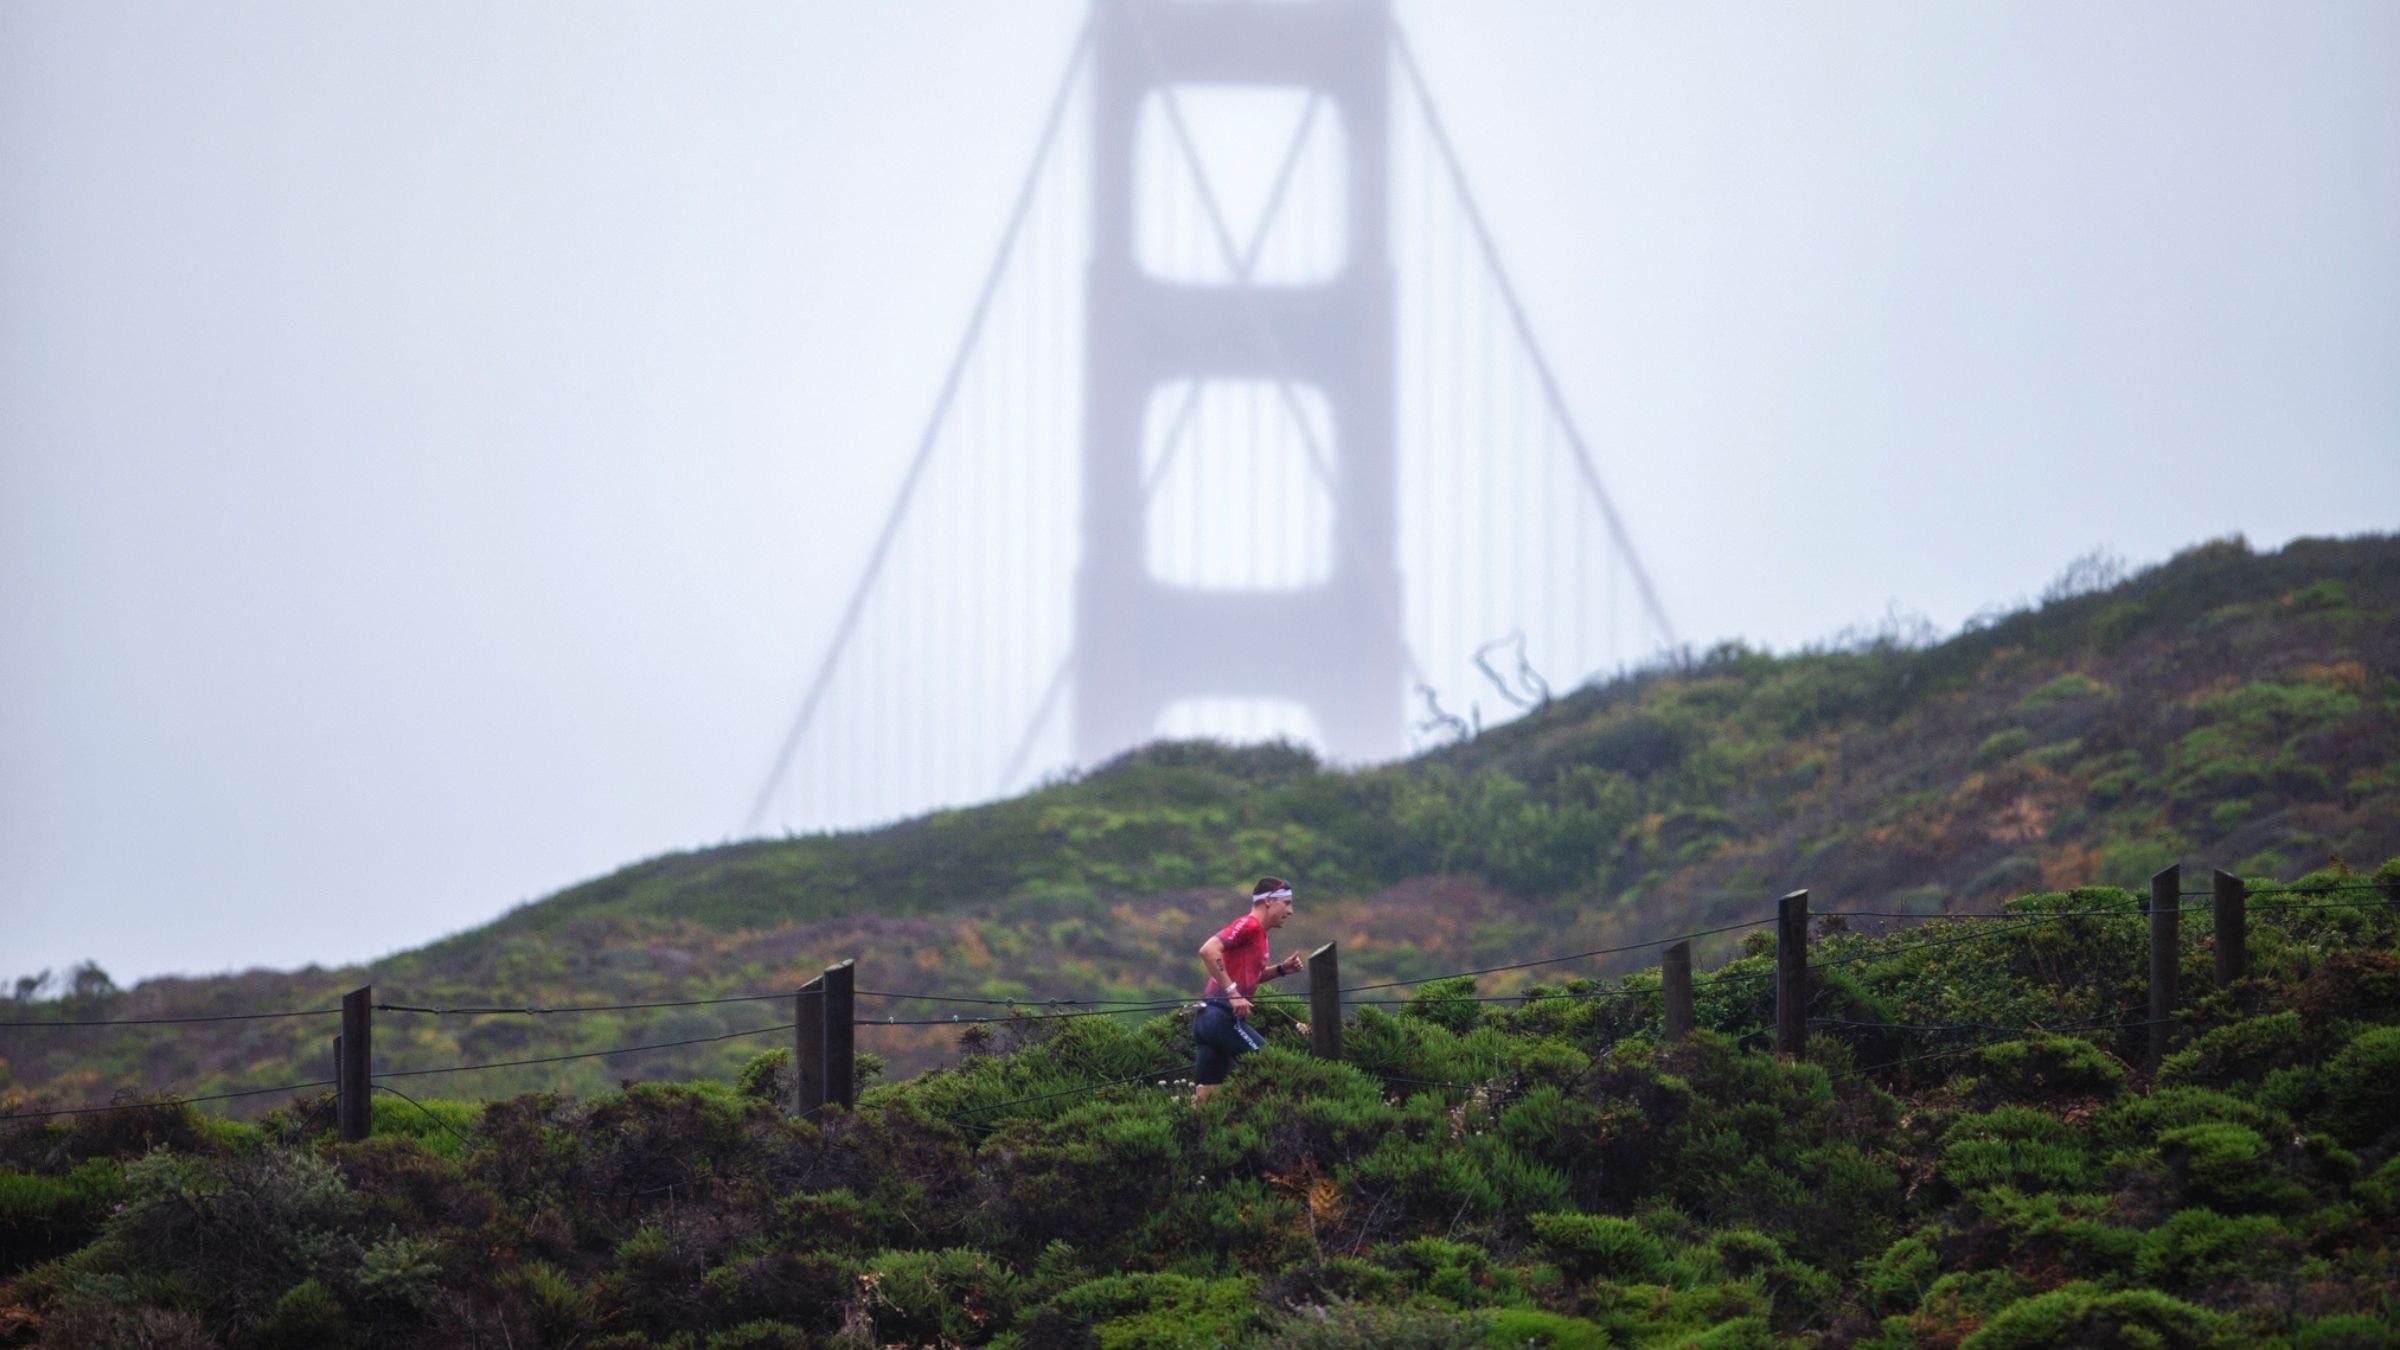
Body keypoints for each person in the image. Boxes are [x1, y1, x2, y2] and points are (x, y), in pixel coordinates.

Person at [1192, 876, 1309, 1102]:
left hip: (1207, 1019)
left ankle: (1197, 1135)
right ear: (1268, 901)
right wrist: (1234, 995)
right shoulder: (1250, 924)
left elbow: (1247, 978)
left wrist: (1281, 970)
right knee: (1273, 1065)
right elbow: (1208, 950)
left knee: (1208, 1096)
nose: (1291, 911)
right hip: (1221, 1017)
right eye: (1287, 903)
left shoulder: (1259, 935)